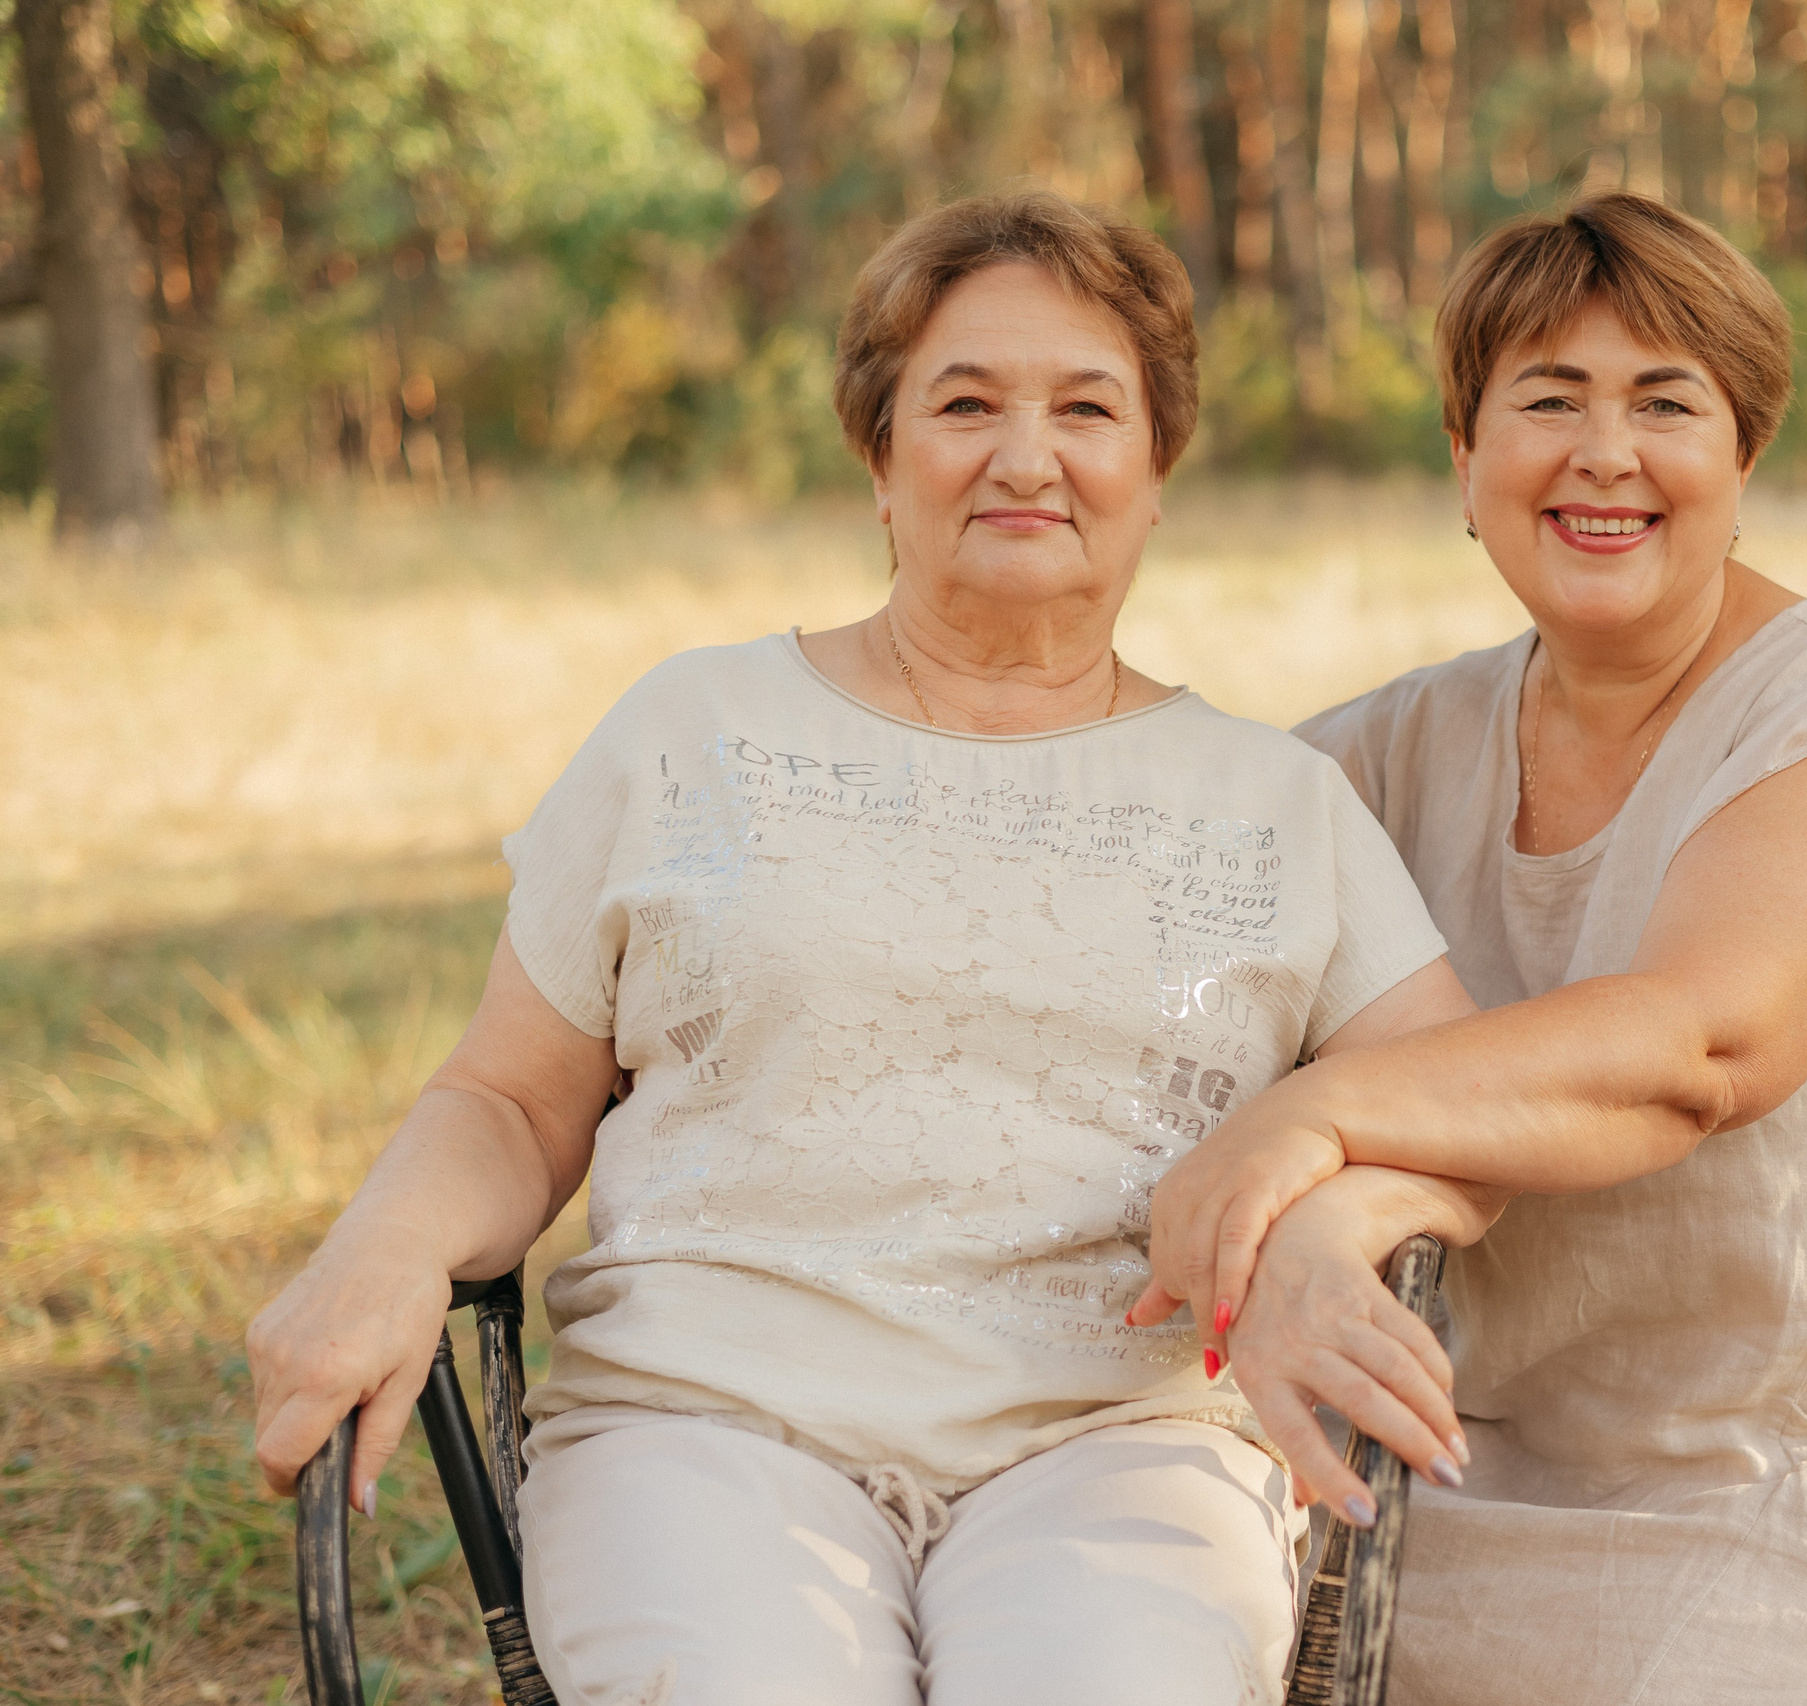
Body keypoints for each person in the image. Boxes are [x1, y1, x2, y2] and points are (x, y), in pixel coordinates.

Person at [244, 191, 1496, 1706]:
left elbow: (1460, 1110)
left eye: (1088, 407)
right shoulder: (691, 734)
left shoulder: (1274, 802)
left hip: (1122, 1436)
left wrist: (1322, 1220)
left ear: (1155, 468)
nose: (1026, 456)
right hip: (709, 1418)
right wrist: (383, 1241)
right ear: (880, 458)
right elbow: (511, 1101)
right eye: (964, 403)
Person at [1136, 193, 1807, 1703]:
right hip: (1495, 1473)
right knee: (1141, 1591)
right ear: (1467, 464)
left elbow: (1693, 1051)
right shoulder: (1390, 753)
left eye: (1666, 402)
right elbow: (1140, 955)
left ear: (1743, 461)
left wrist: (1311, 1127)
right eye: (1549, 400)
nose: (1606, 452)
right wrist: (1322, 1226)